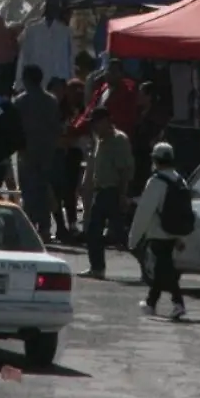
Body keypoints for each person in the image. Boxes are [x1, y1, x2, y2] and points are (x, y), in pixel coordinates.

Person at [128, 142, 189, 320]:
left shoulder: (155, 182)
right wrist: (181, 236)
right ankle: (151, 302)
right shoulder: (179, 180)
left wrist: (133, 238)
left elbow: (144, 212)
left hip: (159, 232)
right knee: (163, 268)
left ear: (155, 160)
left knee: (164, 269)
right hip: (174, 232)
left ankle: (177, 302)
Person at [78, 106, 133, 280]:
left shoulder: (118, 140)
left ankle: (149, 264)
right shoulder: (99, 140)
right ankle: (97, 267)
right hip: (100, 191)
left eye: (97, 123)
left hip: (113, 191)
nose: (94, 127)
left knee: (122, 234)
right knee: (93, 231)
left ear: (106, 121)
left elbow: (124, 170)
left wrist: (123, 195)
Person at [11, 64, 63, 240]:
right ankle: (45, 228)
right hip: (47, 151)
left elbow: (16, 129)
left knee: (28, 190)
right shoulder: (52, 100)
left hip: (27, 151)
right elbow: (56, 127)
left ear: (26, 79)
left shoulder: (20, 101)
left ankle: (30, 228)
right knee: (44, 189)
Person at [52, 77, 88, 242]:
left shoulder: (82, 110)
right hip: (59, 153)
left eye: (81, 90)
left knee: (71, 191)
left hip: (74, 153)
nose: (78, 94)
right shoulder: (59, 109)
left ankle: (72, 224)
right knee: (58, 191)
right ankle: (60, 226)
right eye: (74, 90)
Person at [18, 5, 74, 87]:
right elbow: (24, 57)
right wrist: (20, 82)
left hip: (59, 82)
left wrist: (71, 79)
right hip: (38, 81)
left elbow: (70, 59)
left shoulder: (66, 32)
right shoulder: (32, 30)